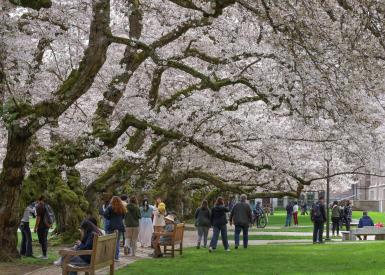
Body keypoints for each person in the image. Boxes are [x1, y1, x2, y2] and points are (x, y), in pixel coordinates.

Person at [103, 196, 127, 261]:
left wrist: (110, 217)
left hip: (111, 226)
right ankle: (116, 257)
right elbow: (124, 216)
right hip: (119, 226)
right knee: (117, 242)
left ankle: (109, 257)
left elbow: (105, 214)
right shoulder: (122, 207)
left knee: (110, 241)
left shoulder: (110, 207)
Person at [34, 195, 50, 259]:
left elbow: (38, 218)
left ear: (38, 199)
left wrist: (35, 227)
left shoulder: (39, 206)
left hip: (41, 226)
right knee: (44, 240)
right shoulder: (46, 206)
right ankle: (44, 254)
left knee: (42, 240)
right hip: (47, 225)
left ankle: (45, 255)